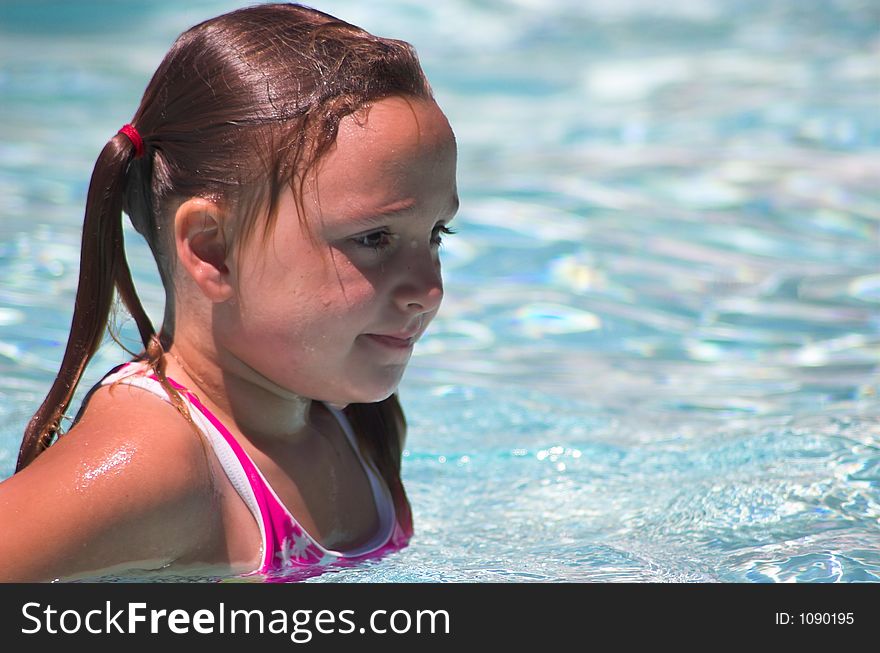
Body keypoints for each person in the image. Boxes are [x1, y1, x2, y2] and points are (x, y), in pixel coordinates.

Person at [0, 2, 458, 582]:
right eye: (373, 238)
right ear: (213, 248)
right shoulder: (157, 463)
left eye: (437, 233)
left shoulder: (348, 416)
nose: (430, 290)